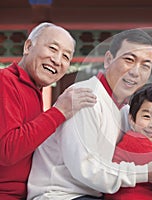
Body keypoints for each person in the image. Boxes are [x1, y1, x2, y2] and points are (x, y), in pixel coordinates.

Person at [27, 29, 152, 200]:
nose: (135, 71)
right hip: (59, 195)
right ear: (109, 59)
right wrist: (145, 173)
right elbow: (86, 169)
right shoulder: (86, 96)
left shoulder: (125, 111)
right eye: (129, 60)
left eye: (145, 65)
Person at [0, 22, 97, 200]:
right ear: (28, 46)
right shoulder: (5, 82)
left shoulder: (35, 92)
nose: (57, 60)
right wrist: (59, 112)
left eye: (66, 57)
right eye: (53, 48)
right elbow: (7, 150)